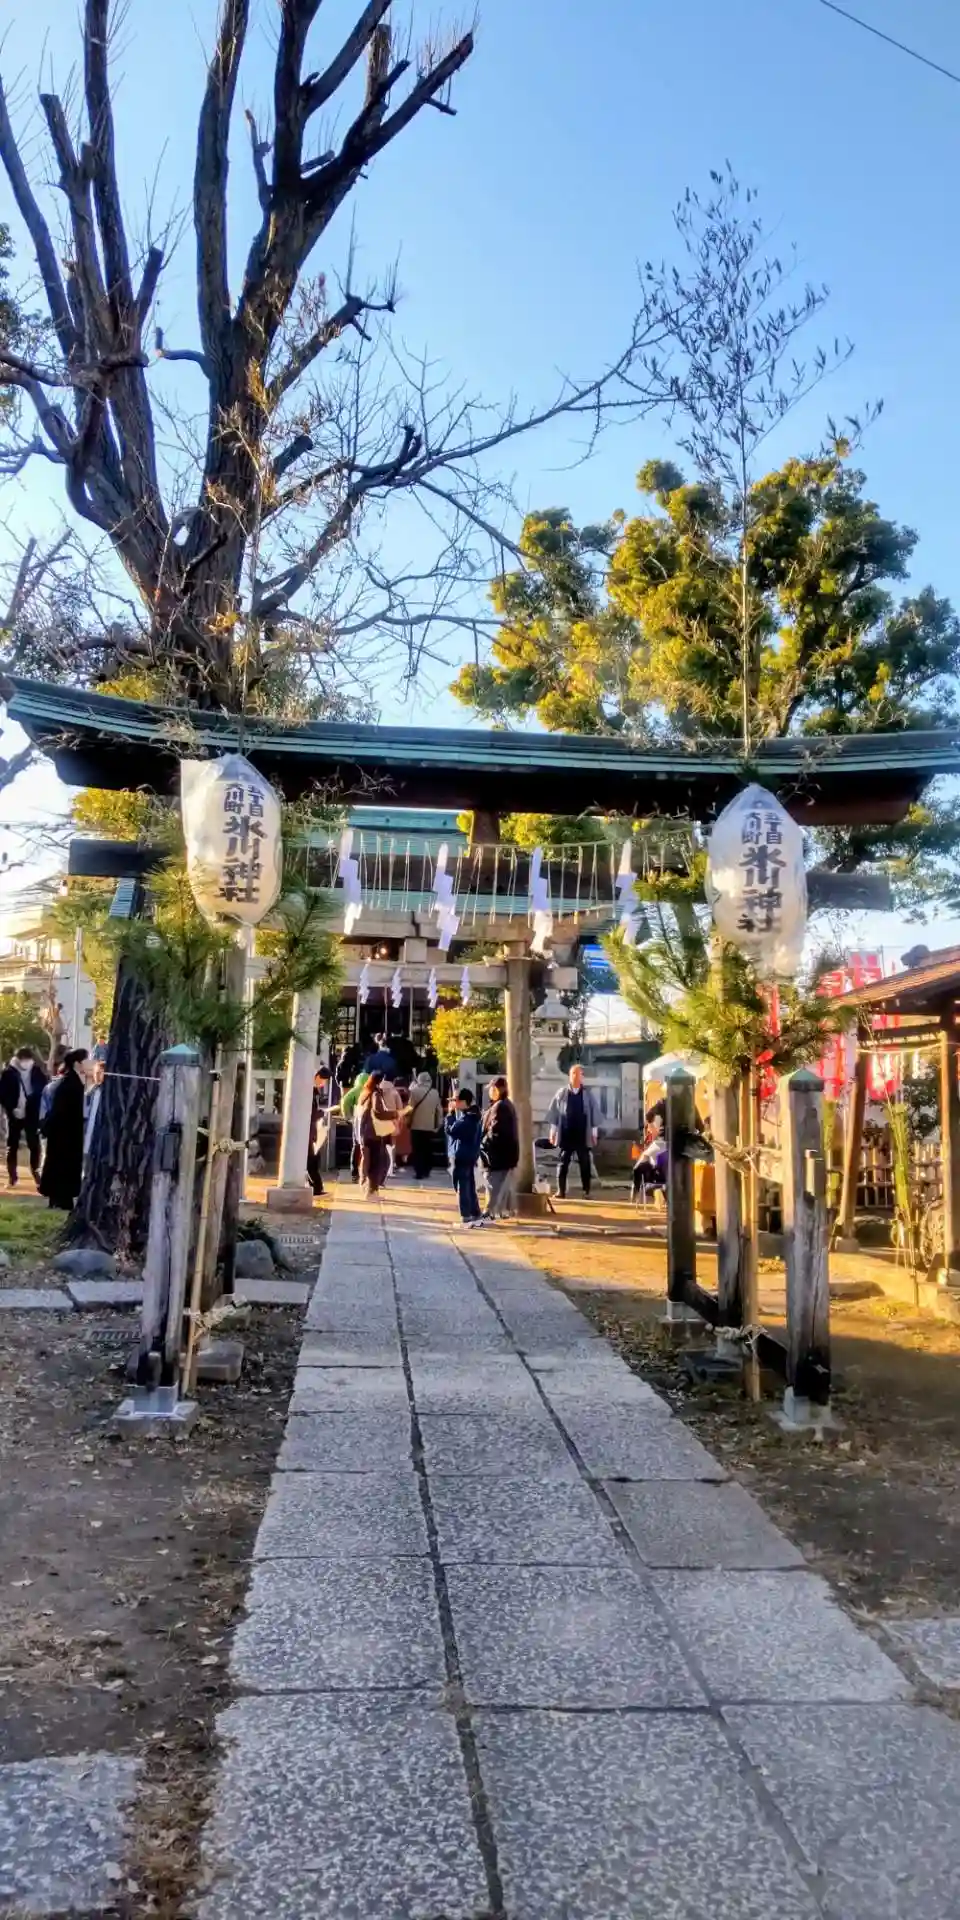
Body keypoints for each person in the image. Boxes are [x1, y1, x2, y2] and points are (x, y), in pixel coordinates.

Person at [38, 1048, 87, 1210]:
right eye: (86, 1060)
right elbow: (58, 1111)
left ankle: (60, 1199)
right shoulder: (69, 1084)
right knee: (62, 1166)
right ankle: (60, 1200)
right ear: (77, 1063)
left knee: (63, 1166)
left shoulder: (74, 1081)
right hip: (64, 1134)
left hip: (66, 1133)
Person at [547, 1063, 601, 1200]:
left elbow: (594, 1114)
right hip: (566, 1133)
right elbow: (555, 1113)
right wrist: (552, 1132)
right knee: (563, 1162)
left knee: (585, 1163)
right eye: (574, 1073)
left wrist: (594, 1133)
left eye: (579, 1074)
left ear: (583, 1077)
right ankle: (561, 1191)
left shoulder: (588, 1094)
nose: (577, 1076)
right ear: (569, 1076)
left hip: (582, 1133)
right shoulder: (562, 1093)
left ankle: (586, 1191)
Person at [0, 1046, 48, 1190]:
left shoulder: (37, 1071)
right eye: (24, 1059)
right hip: (14, 1113)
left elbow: (43, 1088)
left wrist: (33, 1101)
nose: (27, 1062)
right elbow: (3, 1093)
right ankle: (12, 1177)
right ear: (18, 1059)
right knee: (12, 1145)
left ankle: (36, 1175)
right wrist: (11, 1109)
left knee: (34, 1144)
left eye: (29, 1059)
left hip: (31, 1113)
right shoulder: (8, 1072)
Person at [481, 1075, 520, 1219]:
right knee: (503, 1185)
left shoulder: (501, 1107)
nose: (490, 1092)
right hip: (505, 1154)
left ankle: (489, 1212)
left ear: (499, 1089)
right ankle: (504, 1211)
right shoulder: (503, 1104)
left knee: (493, 1184)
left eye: (492, 1089)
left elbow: (496, 1132)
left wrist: (483, 1142)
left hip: (498, 1155)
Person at [445, 1087, 484, 1227]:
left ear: (463, 1102)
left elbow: (451, 1130)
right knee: (469, 1186)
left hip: (462, 1155)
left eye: (455, 1100)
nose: (453, 1102)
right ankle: (475, 1214)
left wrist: (450, 1115)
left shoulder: (468, 1119)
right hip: (469, 1154)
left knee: (462, 1187)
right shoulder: (473, 1116)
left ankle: (466, 1216)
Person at [356, 1071, 395, 1197]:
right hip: (374, 1132)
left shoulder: (365, 1093)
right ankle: (371, 1191)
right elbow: (378, 1112)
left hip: (364, 1132)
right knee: (375, 1162)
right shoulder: (375, 1094)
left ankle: (366, 1187)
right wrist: (393, 1114)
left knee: (366, 1160)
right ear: (379, 1081)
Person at [407, 1072, 443, 1180]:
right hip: (429, 1126)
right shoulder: (435, 1092)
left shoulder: (414, 1091)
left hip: (416, 1126)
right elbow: (439, 1110)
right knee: (427, 1149)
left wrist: (406, 1121)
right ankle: (427, 1170)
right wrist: (438, 1125)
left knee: (417, 1150)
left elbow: (410, 1109)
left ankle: (419, 1172)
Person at [306, 1065, 333, 1197]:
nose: (323, 1084)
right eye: (323, 1080)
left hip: (311, 1130)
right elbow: (310, 1113)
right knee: (312, 1160)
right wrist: (322, 1113)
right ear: (317, 1077)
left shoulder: (314, 1091)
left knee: (313, 1159)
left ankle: (316, 1187)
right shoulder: (309, 1091)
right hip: (308, 1131)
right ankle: (316, 1187)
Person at [341, 1069, 368, 1181]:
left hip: (356, 1121)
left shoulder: (353, 1091)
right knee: (368, 1147)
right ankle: (366, 1172)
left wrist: (347, 1117)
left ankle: (354, 1173)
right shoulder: (370, 1090)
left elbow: (344, 1102)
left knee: (356, 1146)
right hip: (369, 1122)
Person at [84, 1060, 106, 1164]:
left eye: (100, 1073)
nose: (97, 1075)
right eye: (96, 1073)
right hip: (86, 1140)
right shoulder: (89, 1092)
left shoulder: (109, 1094)